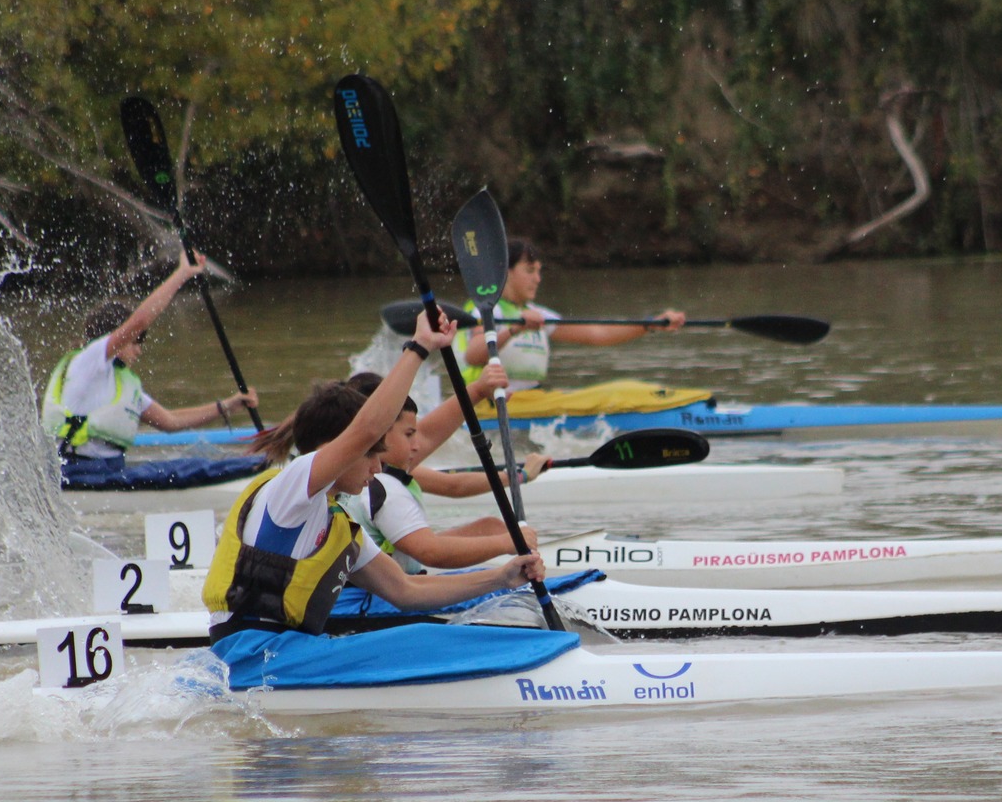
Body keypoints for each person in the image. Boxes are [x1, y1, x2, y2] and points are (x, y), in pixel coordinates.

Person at [201, 311, 577, 691]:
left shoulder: (336, 522)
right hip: (253, 657)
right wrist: (419, 348)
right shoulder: (291, 489)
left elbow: (406, 591)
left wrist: (500, 577)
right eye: (370, 453)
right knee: (433, 641)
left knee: (431, 633)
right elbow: (366, 427)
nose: (379, 466)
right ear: (339, 449)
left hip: (285, 655)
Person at [40, 251, 265, 490]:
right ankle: (255, 471)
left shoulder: (120, 383)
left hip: (110, 472)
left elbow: (171, 421)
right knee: (186, 470)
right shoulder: (89, 361)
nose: (139, 350)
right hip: (78, 473)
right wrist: (182, 274)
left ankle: (256, 466)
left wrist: (227, 406)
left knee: (191, 464)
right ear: (116, 338)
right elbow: (139, 321)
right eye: (136, 341)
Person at [337, 366, 549, 573]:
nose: (417, 444)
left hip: (398, 570)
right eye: (409, 434)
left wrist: (477, 391)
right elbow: (430, 551)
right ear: (378, 430)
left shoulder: (374, 469)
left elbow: (452, 482)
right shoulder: (381, 483)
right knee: (497, 537)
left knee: (490, 527)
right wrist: (507, 543)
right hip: (386, 593)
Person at [455, 237, 687, 391]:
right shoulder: (484, 309)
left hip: (531, 400)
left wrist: (648, 325)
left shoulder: (536, 313)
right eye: (529, 271)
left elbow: (597, 334)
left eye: (538, 271)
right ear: (505, 272)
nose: (538, 279)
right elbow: (473, 355)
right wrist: (515, 329)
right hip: (489, 403)